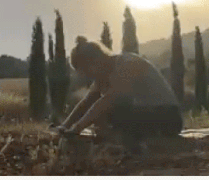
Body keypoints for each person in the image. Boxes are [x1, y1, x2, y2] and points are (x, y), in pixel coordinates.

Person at [54, 36, 183, 149]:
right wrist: (64, 126)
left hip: (168, 117)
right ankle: (120, 138)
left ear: (96, 61)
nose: (87, 76)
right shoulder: (104, 74)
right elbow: (87, 102)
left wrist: (77, 128)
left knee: (110, 112)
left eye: (86, 71)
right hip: (147, 114)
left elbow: (109, 100)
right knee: (103, 114)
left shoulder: (127, 64)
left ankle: (127, 143)